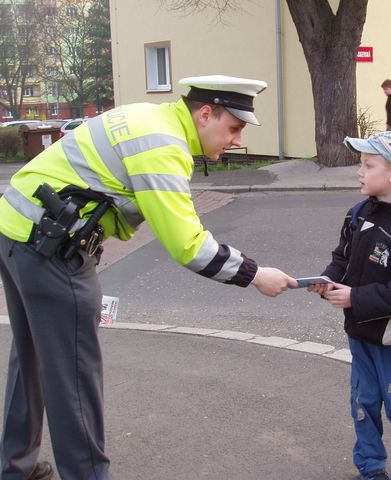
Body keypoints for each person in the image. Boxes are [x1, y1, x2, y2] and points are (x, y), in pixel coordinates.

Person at [0, 74, 297, 480]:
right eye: (233, 127)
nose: (235, 140)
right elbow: (189, 245)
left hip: (15, 231)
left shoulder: (147, 116)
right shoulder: (163, 146)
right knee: (73, 376)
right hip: (51, 251)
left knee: (30, 355)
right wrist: (256, 274)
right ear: (205, 113)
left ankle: (16, 466)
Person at [308, 131, 391, 480]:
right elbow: (342, 258)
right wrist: (327, 278)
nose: (360, 172)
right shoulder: (357, 214)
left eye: (368, 165)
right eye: (361, 164)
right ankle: (371, 468)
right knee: (363, 404)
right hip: (361, 335)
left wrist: (353, 297)